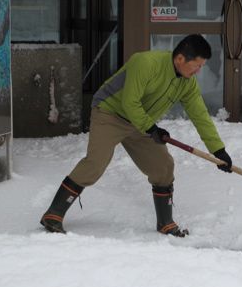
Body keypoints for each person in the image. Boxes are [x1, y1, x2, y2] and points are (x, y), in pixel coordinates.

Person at [40, 34, 232, 237]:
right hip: (110, 113)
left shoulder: (187, 84)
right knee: (96, 163)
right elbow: (130, 102)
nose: (199, 71)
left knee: (163, 166)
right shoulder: (146, 63)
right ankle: (53, 214)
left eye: (202, 66)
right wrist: (151, 129)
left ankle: (165, 222)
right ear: (180, 59)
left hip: (141, 122)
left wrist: (218, 151)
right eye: (197, 65)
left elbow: (200, 116)